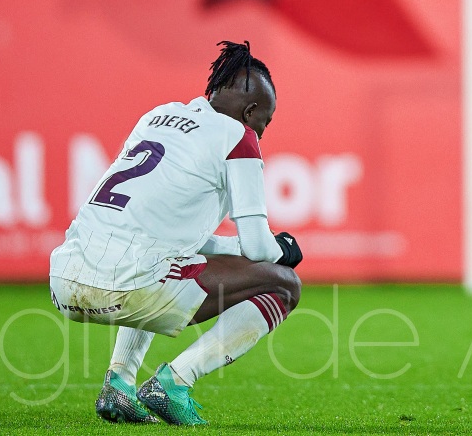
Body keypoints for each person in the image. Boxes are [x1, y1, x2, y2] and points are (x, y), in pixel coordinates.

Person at [49, 41, 303, 426]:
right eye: (265, 123)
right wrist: (281, 250)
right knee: (285, 286)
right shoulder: (239, 137)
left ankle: (118, 384)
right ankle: (175, 382)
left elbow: (172, 232)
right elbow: (256, 245)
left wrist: (246, 248)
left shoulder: (158, 116)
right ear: (251, 112)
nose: (262, 134)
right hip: (128, 284)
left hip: (64, 279)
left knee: (163, 259)